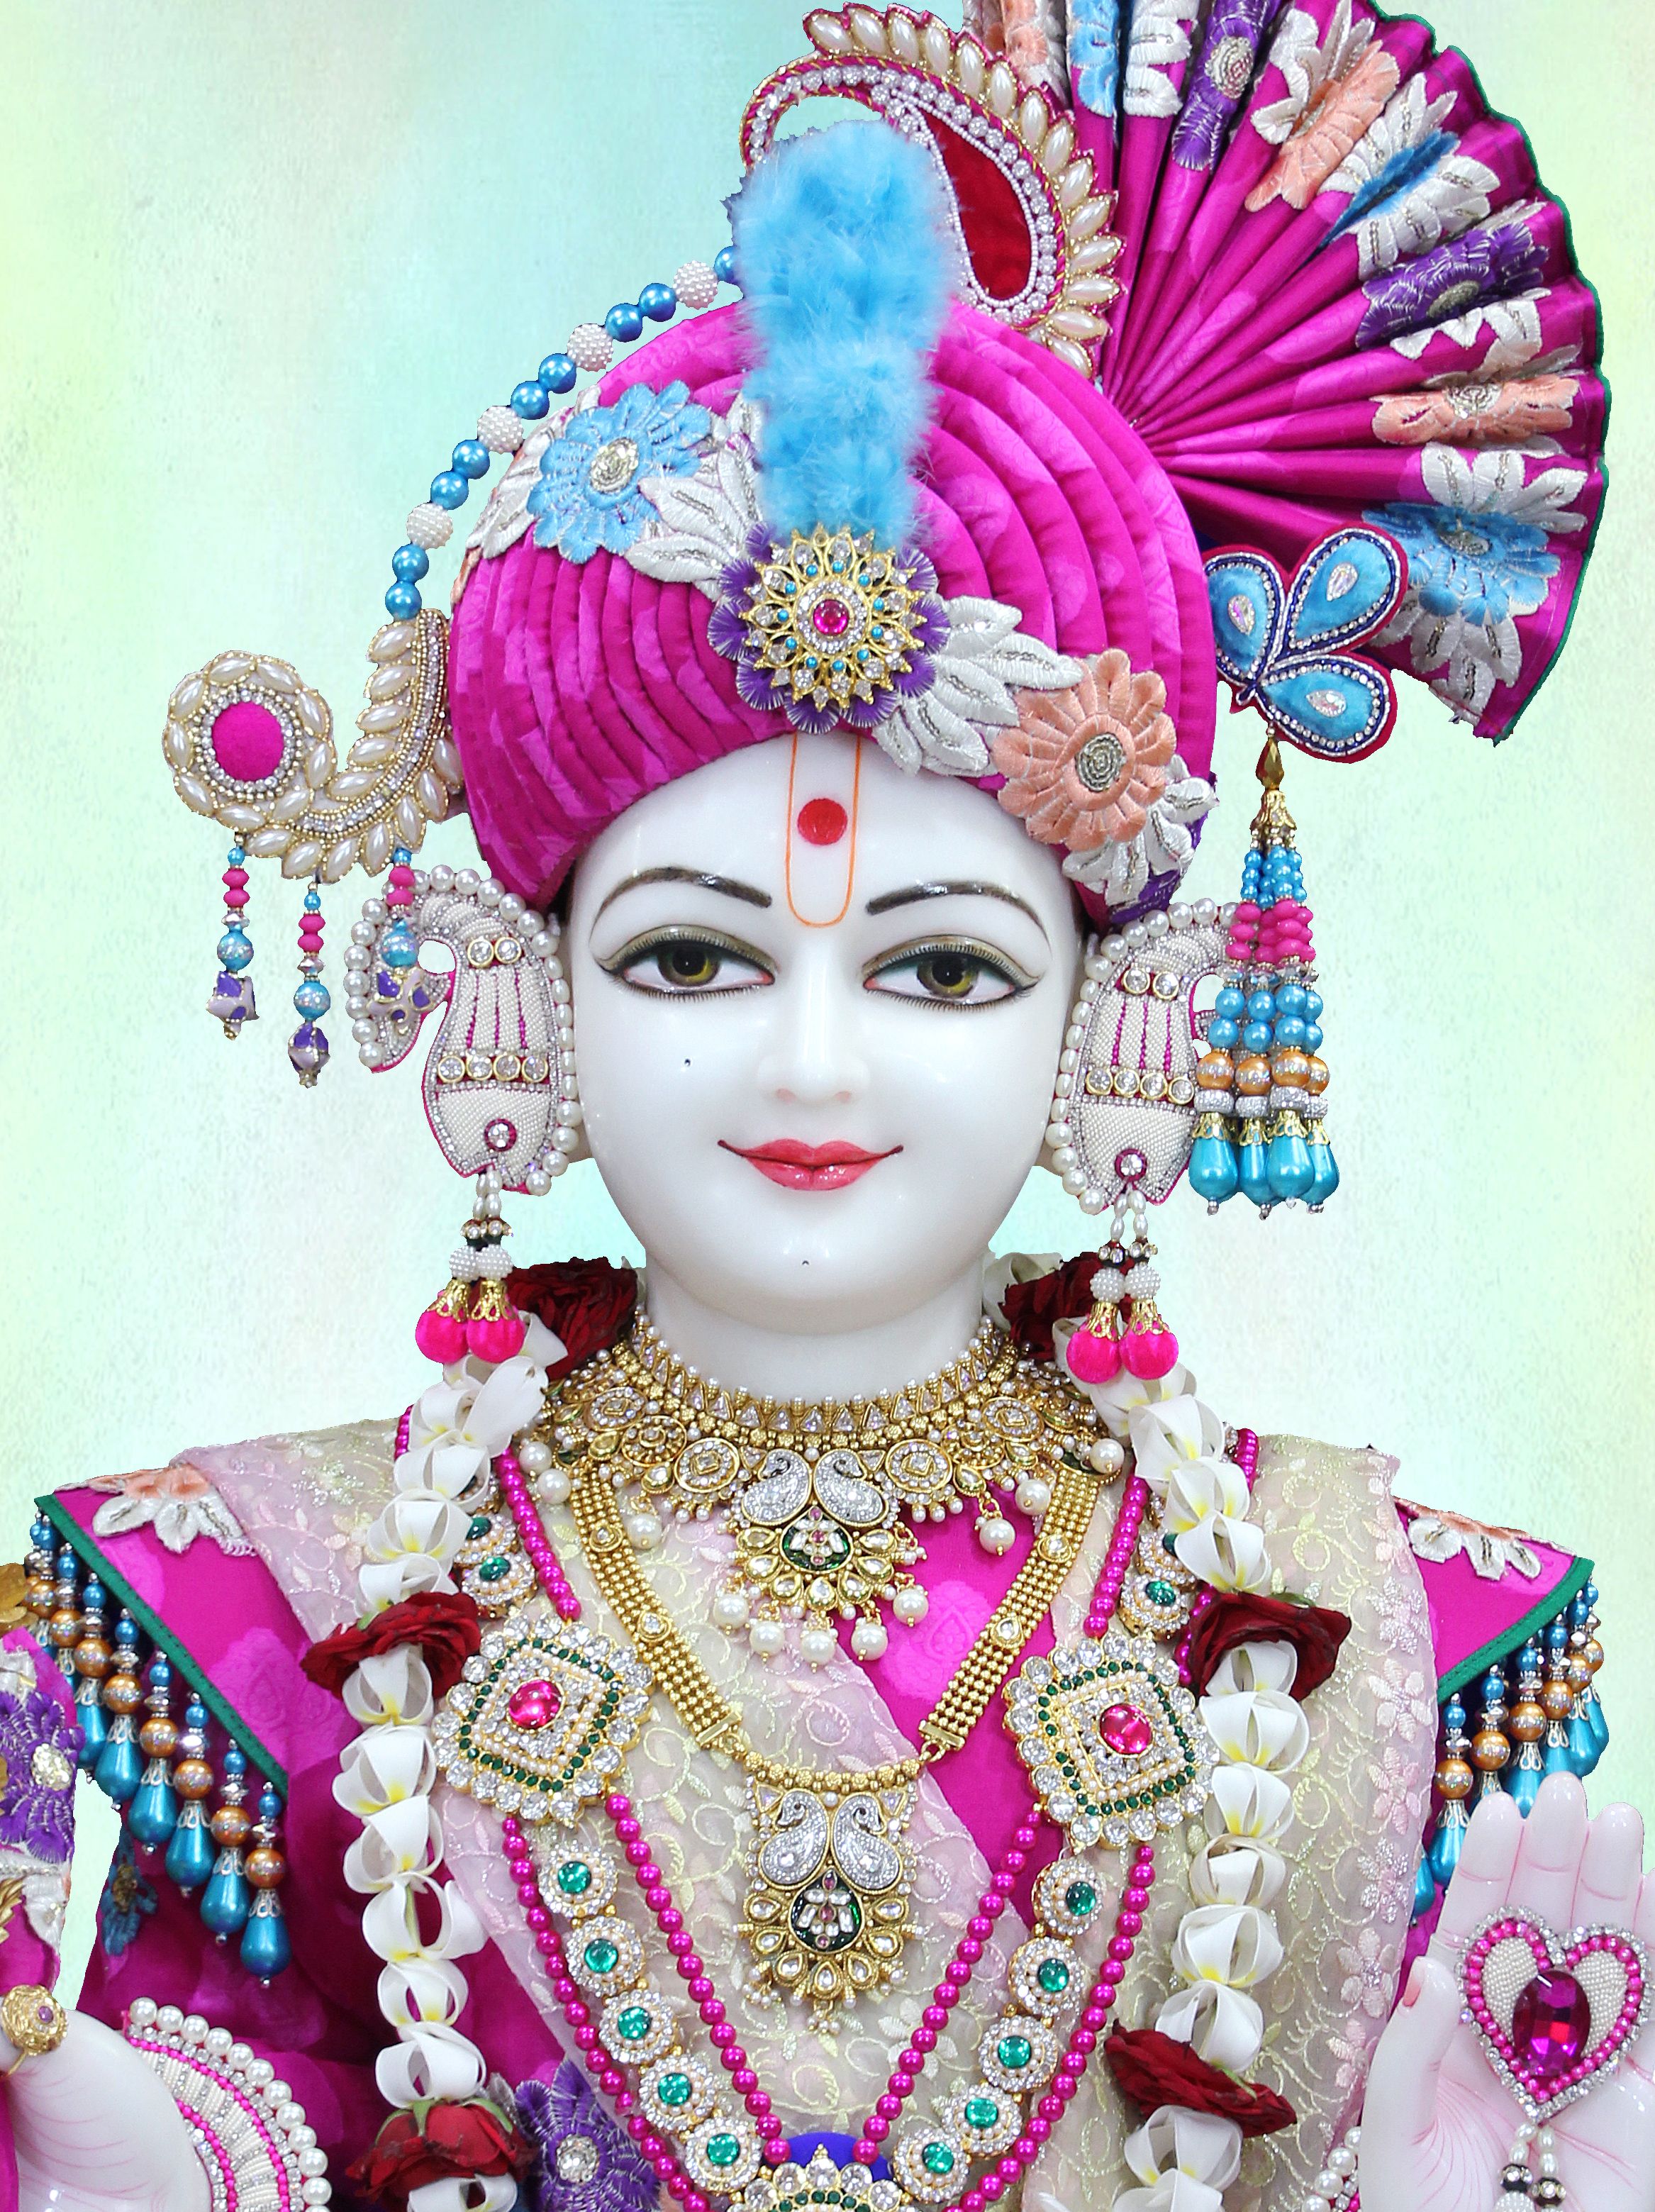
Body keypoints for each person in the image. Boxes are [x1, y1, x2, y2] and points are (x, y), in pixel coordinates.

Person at [0, 9, 1635, 2211]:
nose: (811, 1063)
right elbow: (253, 2083)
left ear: (1111, 1011)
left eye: (942, 968)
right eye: (691, 958)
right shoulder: (263, 1609)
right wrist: (150, 2166)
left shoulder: (1396, 1640)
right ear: (531, 992)